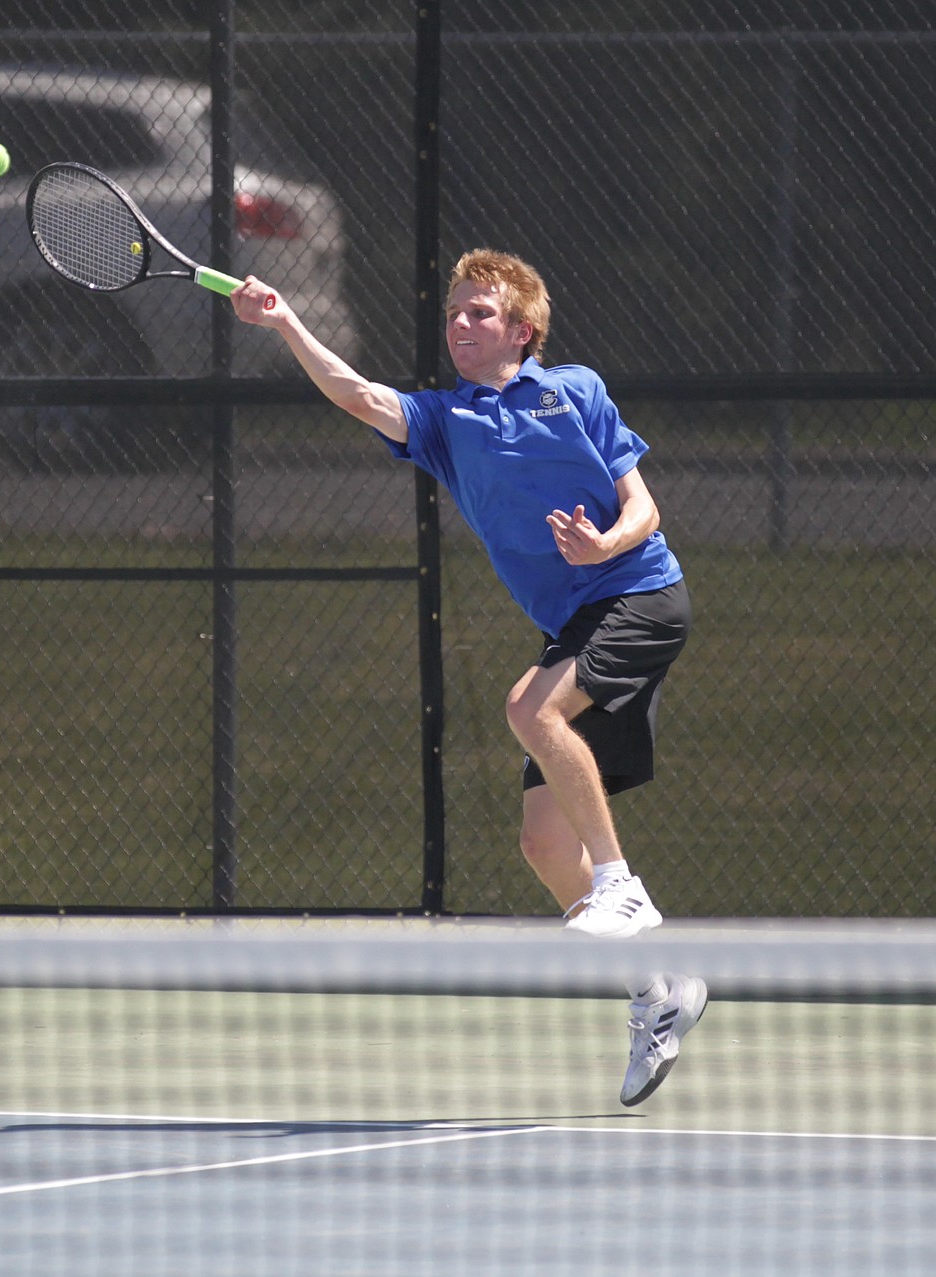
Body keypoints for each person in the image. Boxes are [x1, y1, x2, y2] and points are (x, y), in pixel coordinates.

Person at [230, 248, 706, 1106]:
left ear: (521, 330)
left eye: (479, 313)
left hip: (642, 591)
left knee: (531, 706)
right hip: (577, 622)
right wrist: (286, 322)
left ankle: (620, 885)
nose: (459, 325)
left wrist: (609, 543)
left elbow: (645, 504)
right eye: (453, 312)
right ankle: (659, 989)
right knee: (539, 842)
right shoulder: (445, 422)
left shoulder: (578, 391)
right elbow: (356, 394)